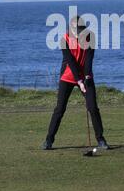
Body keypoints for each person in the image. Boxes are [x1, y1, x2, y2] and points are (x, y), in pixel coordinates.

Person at [42, 15, 109, 150]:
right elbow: (71, 62)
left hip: (85, 76)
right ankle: (48, 140)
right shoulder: (64, 40)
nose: (78, 34)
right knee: (60, 109)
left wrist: (87, 77)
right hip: (68, 77)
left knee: (93, 108)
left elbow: (89, 59)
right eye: (76, 31)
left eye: (80, 31)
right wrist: (79, 81)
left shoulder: (90, 37)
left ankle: (101, 140)